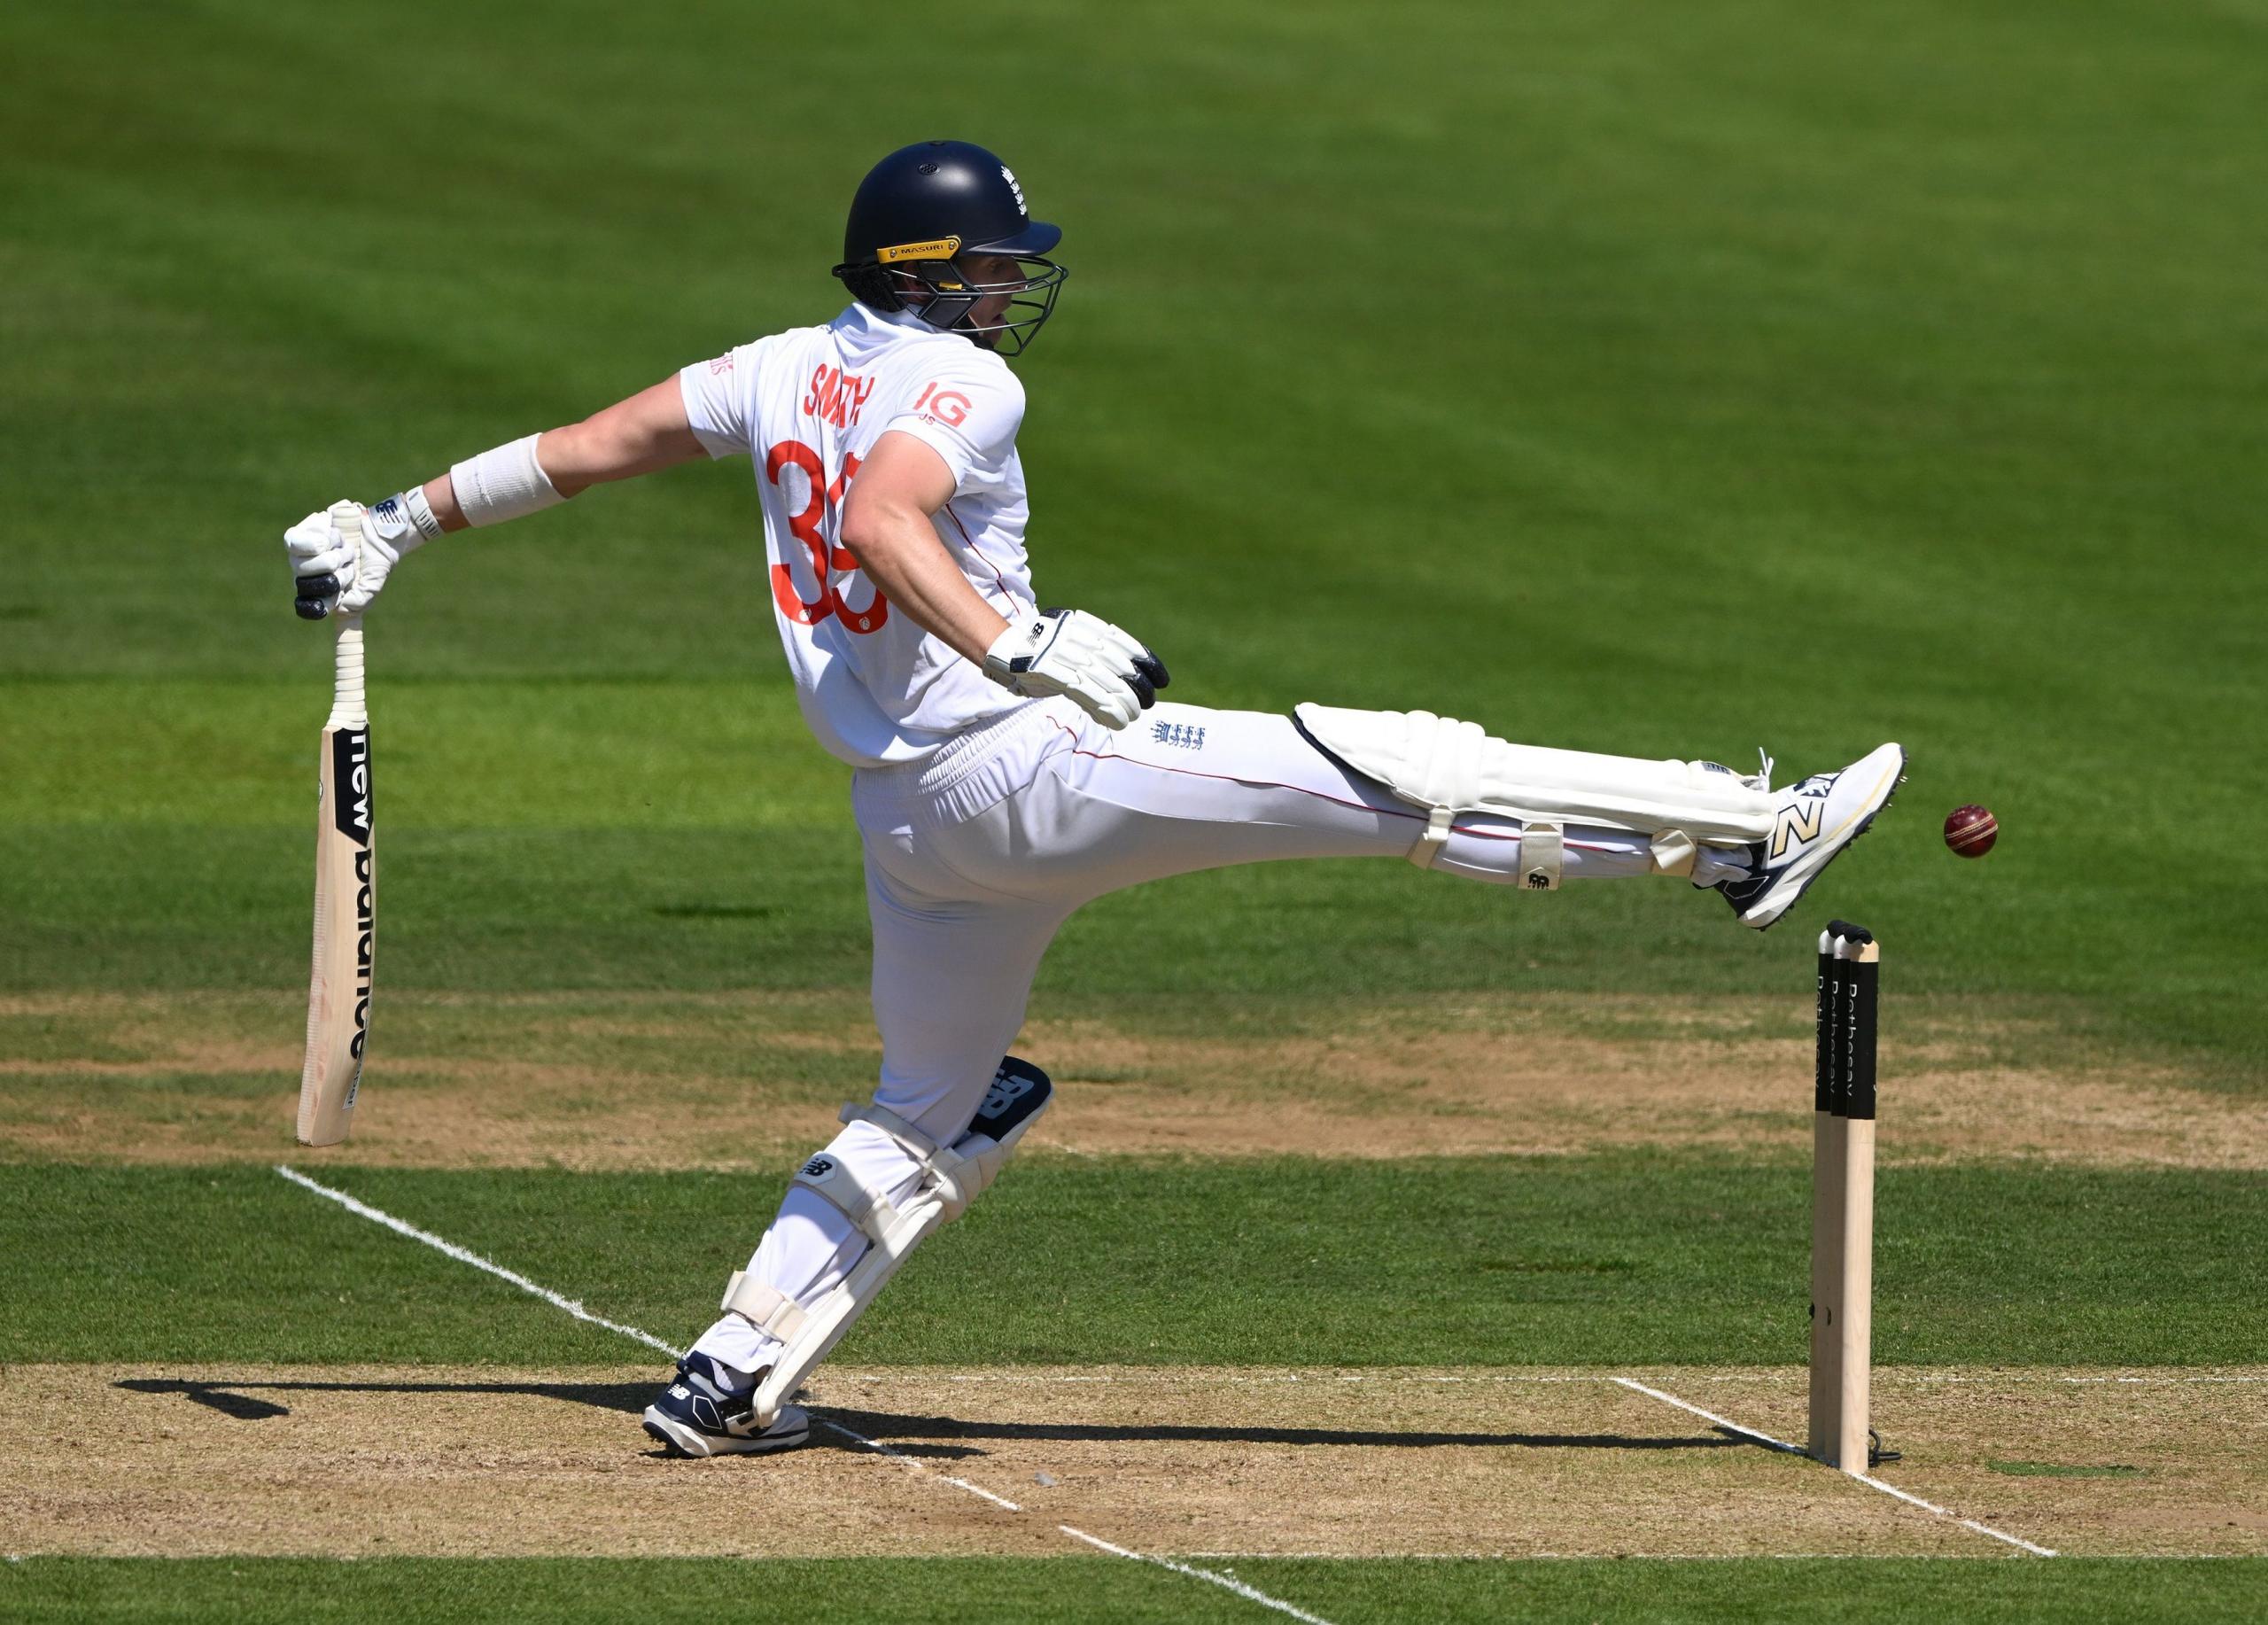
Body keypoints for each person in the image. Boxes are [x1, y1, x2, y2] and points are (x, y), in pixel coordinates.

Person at [284, 139, 1903, 1458]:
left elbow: (583, 446)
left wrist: (397, 517)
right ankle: (1743, 833)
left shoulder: (772, 368)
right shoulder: (962, 391)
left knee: (930, 1098)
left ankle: (727, 1368)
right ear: (927, 273)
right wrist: (1023, 639)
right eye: (991, 264)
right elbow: (880, 515)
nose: (1011, 287)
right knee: (1379, 764)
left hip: (909, 832)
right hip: (1024, 768)